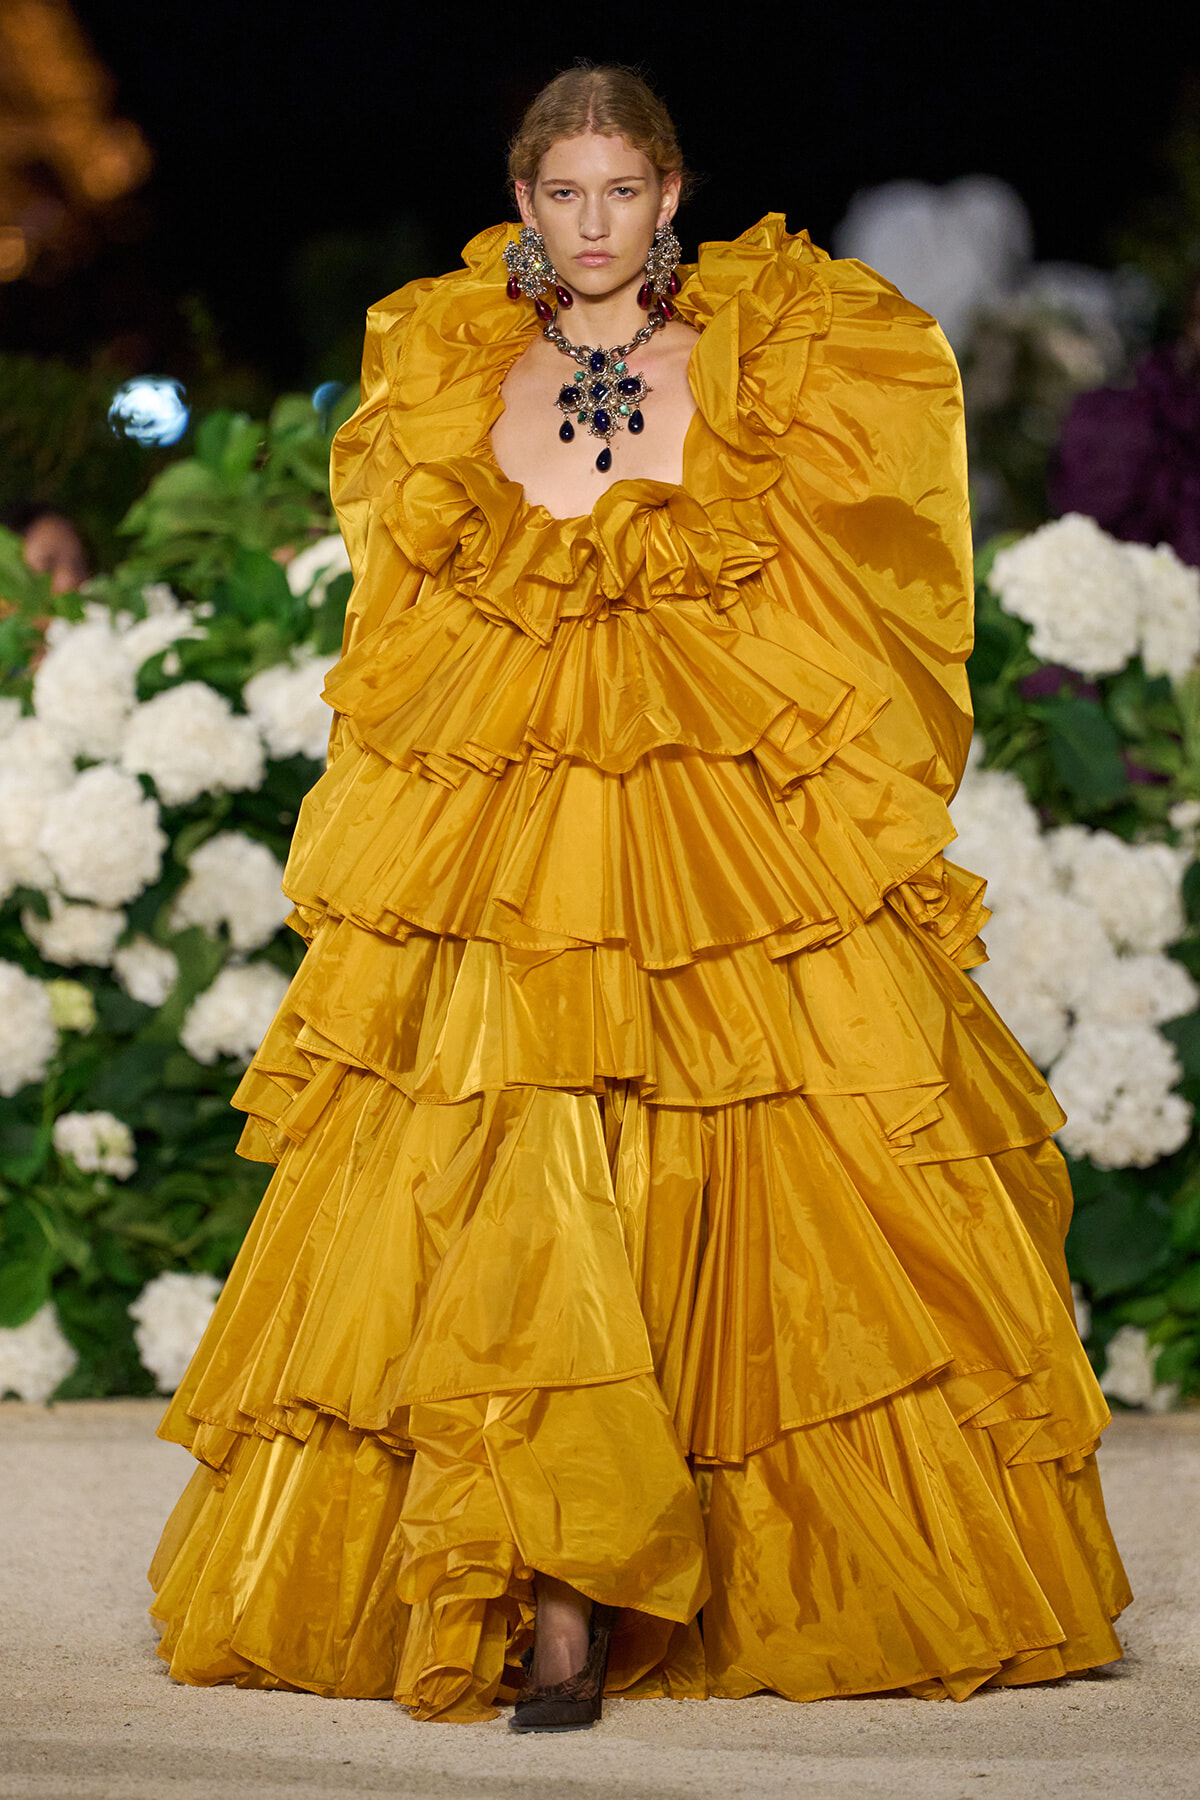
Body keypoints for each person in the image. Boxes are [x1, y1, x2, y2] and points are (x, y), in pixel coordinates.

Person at [149, 65, 1131, 1731]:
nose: (592, 224)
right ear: (523, 204)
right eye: (561, 194)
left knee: (740, 1175)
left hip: (710, 846)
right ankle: (550, 1588)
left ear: (670, 197)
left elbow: (855, 600)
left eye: (621, 192)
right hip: (519, 842)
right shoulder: (456, 377)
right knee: (519, 1170)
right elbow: (407, 638)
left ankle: (708, 1561)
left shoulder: (774, 368)